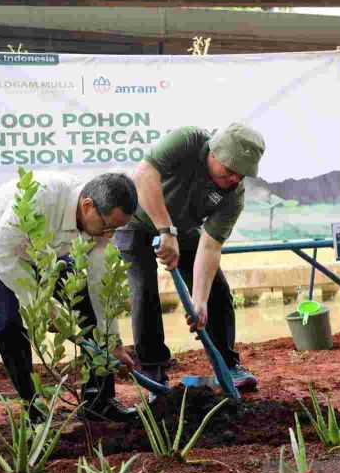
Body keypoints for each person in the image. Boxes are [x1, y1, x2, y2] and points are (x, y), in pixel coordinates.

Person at [0, 171, 139, 422]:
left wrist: (112, 342)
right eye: (108, 226)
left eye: (117, 229)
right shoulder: (41, 196)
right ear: (87, 206)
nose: (110, 234)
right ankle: (34, 410)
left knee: (82, 300)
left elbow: (99, 285)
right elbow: (0, 254)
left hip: (43, 253)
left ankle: (99, 401)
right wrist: (45, 305)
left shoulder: (98, 226)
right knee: (10, 321)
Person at [114, 123, 265, 394]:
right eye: (229, 171)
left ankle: (227, 366)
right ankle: (154, 371)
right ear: (213, 153)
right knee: (144, 290)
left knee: (216, 291)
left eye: (240, 175)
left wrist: (200, 301)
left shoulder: (234, 196)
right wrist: (164, 229)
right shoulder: (186, 140)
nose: (234, 179)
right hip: (135, 221)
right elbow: (144, 174)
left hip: (181, 229)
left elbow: (210, 247)